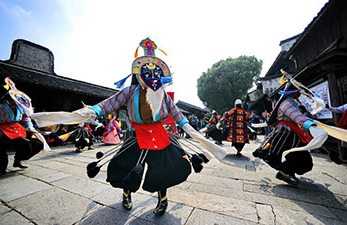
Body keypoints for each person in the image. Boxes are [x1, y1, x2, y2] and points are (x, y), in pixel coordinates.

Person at [32, 38, 227, 216]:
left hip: (159, 134)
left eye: (156, 74)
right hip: (136, 134)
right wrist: (91, 112)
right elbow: (109, 104)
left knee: (165, 167)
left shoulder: (163, 95)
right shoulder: (129, 91)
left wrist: (190, 130)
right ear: (139, 75)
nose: (152, 77)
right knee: (125, 165)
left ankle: (163, 198)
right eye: (147, 73)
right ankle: (127, 194)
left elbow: (176, 114)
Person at [252, 83, 328, 185]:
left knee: (299, 158)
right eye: (298, 91)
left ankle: (287, 172)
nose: (300, 93)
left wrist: (313, 123)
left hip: (292, 134)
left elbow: (298, 116)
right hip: (286, 134)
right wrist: (310, 125)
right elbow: (297, 117)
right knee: (293, 157)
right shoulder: (287, 103)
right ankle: (285, 172)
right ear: (294, 92)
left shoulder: (290, 102)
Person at [0, 78, 44, 177]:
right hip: (3, 130)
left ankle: (17, 160)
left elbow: (26, 118)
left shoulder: (20, 107)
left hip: (18, 129)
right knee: (0, 149)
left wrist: (30, 127)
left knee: (37, 144)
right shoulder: (0, 107)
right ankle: (1, 168)